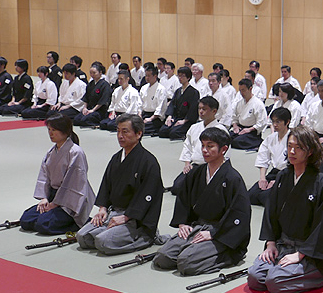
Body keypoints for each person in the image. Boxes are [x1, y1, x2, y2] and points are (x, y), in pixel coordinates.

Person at [247, 125, 323, 293]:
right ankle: (292, 268)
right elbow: (271, 211)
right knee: (255, 277)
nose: (292, 151)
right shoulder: (283, 176)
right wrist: (271, 243)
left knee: (274, 282)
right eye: (289, 146)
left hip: (309, 251)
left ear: (310, 151)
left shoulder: (322, 183)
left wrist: (301, 254)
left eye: (298, 148)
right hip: (282, 245)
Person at [153, 127, 251, 275]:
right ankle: (193, 250)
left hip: (220, 233)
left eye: (210, 146)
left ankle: (228, 256)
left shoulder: (232, 178)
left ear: (223, 149)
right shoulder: (197, 172)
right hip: (196, 226)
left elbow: (239, 212)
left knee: (186, 263)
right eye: (203, 145)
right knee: (162, 257)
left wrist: (214, 233)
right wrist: (183, 223)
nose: (204, 150)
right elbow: (184, 198)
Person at [76, 114, 164, 255]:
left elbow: (147, 196)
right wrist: (103, 209)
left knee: (102, 242)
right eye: (118, 131)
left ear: (139, 134)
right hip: (113, 212)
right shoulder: (117, 158)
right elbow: (106, 184)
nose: (120, 136)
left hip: (135, 219)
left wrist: (126, 217)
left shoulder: (149, 162)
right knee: (82, 237)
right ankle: (111, 231)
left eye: (125, 131)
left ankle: (146, 238)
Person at [19, 114, 96, 235]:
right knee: (26, 220)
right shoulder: (51, 152)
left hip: (70, 202)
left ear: (65, 131)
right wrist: (44, 198)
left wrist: (56, 204)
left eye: (54, 130)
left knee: (43, 224)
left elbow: (74, 183)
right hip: (53, 196)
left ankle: (78, 222)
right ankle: (53, 215)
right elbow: (44, 176)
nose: (50, 133)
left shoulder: (76, 152)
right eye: (49, 129)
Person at [171, 96, 227, 195]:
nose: (201, 111)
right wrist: (187, 163)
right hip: (195, 166)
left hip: (212, 167)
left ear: (214, 111)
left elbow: (225, 155)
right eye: (199, 108)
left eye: (204, 109)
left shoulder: (221, 130)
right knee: (177, 187)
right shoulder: (194, 127)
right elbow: (187, 146)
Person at [249, 107, 291, 206]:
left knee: (269, 198)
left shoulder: (293, 139)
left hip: (288, 175)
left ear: (287, 122)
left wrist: (278, 180)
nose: (275, 125)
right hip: (274, 172)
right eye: (273, 122)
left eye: (278, 122)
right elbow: (263, 158)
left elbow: (294, 165)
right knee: (251, 195)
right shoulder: (271, 138)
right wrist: (262, 178)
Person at [158, 66, 199, 140]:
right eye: (179, 76)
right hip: (176, 118)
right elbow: (172, 104)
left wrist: (184, 120)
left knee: (174, 133)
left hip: (186, 120)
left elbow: (193, 109)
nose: (180, 78)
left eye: (183, 76)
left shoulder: (194, 92)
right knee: (162, 131)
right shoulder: (178, 91)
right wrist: (170, 116)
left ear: (188, 77)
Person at [230, 78, 268, 150]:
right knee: (226, 137)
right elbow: (234, 117)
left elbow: (262, 123)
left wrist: (249, 129)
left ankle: (258, 142)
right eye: (240, 90)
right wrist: (235, 126)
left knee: (237, 141)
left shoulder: (258, 104)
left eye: (243, 90)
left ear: (250, 89)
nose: (241, 93)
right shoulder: (240, 103)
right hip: (240, 128)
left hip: (252, 131)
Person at [72, 61, 112, 127]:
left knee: (84, 120)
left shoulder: (105, 85)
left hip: (99, 110)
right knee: (76, 120)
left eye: (94, 73)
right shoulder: (91, 84)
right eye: (91, 73)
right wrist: (85, 108)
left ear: (100, 72)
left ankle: (97, 124)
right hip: (89, 108)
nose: (92, 75)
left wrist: (93, 110)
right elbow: (86, 97)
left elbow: (103, 101)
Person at [139, 64, 169, 136]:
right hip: (144, 114)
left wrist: (150, 118)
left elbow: (160, 108)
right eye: (146, 75)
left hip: (155, 117)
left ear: (155, 76)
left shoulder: (161, 89)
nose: (147, 78)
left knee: (143, 127)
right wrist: (139, 114)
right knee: (132, 123)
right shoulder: (143, 88)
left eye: (149, 76)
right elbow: (139, 103)